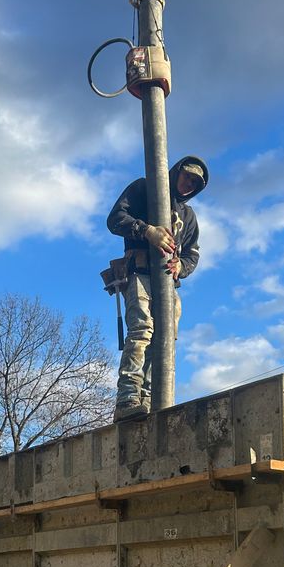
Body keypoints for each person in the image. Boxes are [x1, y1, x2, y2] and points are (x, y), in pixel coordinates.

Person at [106, 155, 208, 421]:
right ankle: (128, 398)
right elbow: (115, 219)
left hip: (167, 282)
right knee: (142, 330)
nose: (189, 184)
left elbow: (193, 254)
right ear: (176, 172)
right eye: (187, 176)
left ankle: (150, 399)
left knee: (165, 339)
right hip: (139, 273)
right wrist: (146, 231)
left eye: (195, 183)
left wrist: (181, 266)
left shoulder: (188, 216)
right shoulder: (144, 189)